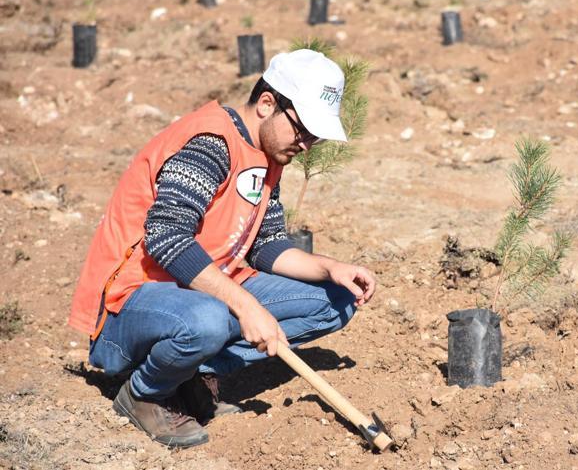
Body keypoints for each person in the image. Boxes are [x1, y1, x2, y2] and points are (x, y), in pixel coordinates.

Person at [68, 49, 376, 448]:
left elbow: (266, 247)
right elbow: (167, 237)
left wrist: (330, 267)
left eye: (314, 137)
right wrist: (247, 307)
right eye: (302, 130)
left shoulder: (268, 155)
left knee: (335, 300)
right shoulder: (210, 143)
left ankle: (186, 375)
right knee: (211, 319)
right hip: (129, 305)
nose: (306, 145)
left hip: (200, 294)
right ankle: (145, 393)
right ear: (268, 103)